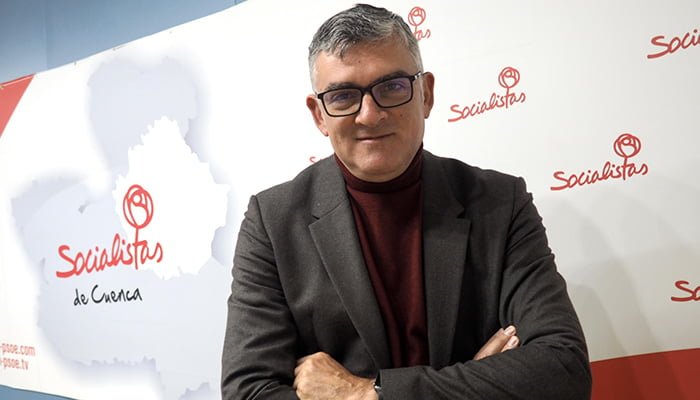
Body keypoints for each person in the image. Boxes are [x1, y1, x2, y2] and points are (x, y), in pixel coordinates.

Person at [221, 4, 591, 399]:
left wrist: (365, 393)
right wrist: (474, 384)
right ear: (319, 115)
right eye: (343, 96)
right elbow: (249, 392)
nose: (370, 115)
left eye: (392, 87)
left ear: (426, 94)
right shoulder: (272, 223)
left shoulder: (501, 202)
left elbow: (563, 370)